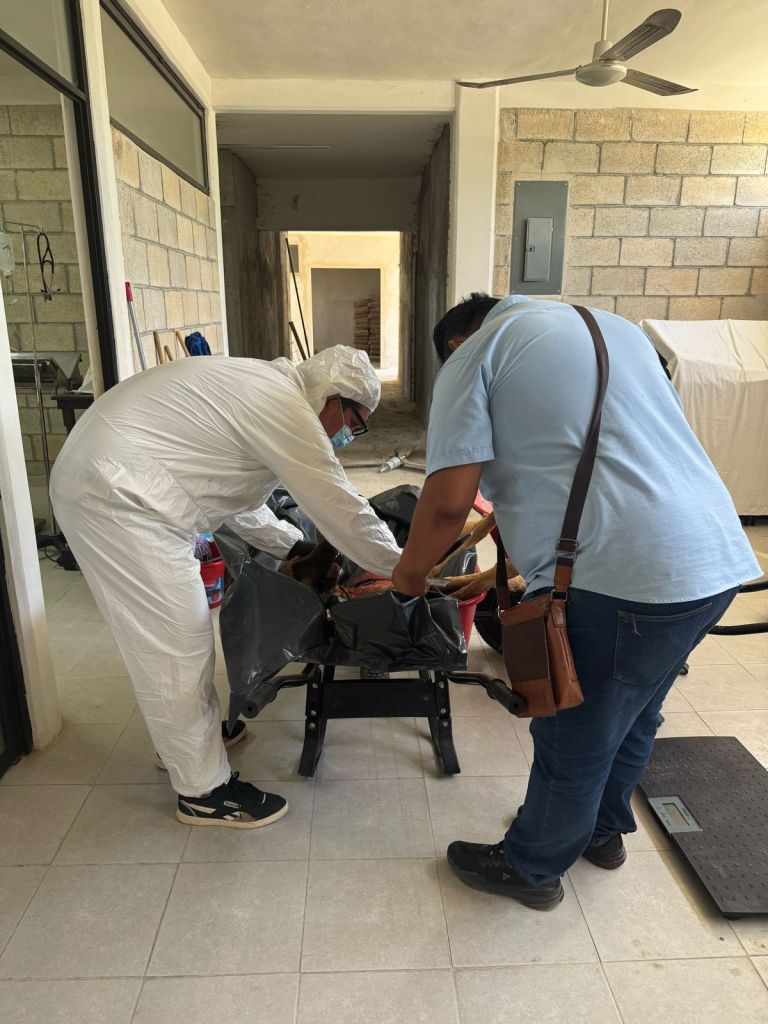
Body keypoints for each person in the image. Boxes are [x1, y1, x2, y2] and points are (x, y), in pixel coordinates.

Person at [392, 294, 760, 910]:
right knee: (634, 712)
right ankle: (603, 833)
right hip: (714, 559)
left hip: (620, 577)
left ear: (454, 344)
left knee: (575, 731)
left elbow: (449, 502)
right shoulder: (617, 330)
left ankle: (531, 867)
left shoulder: (475, 354)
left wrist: (406, 579)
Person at [51, 346, 401, 829]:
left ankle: (184, 746)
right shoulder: (286, 408)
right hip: (118, 496)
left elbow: (236, 495)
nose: (347, 434)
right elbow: (339, 504)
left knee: (175, 639)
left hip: (117, 480)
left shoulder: (269, 391)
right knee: (176, 642)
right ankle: (203, 793)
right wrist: (406, 567)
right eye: (354, 421)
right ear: (334, 397)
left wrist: (293, 545)